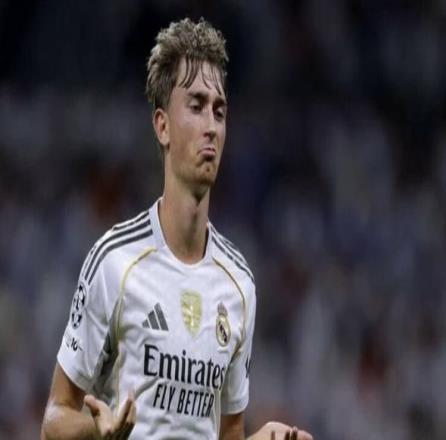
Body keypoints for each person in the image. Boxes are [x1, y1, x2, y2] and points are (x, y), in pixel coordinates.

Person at [41, 18, 313, 440]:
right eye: (197, 106)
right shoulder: (115, 262)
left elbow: (228, 433)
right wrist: (97, 430)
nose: (211, 126)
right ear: (162, 125)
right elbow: (54, 419)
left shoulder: (239, 283)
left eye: (219, 111)